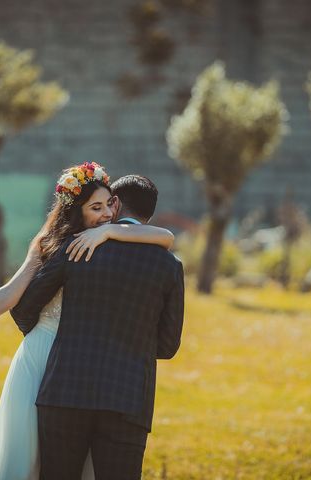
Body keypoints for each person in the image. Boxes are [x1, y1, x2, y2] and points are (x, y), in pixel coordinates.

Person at [0, 163, 177, 479]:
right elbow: (11, 295)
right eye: (96, 208)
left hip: (83, 364)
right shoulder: (54, 243)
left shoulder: (110, 238)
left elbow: (166, 236)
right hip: (46, 355)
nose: (105, 214)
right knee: (32, 458)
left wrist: (108, 230)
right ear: (77, 209)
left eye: (107, 207)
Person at [11, 174, 185, 480]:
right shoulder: (169, 266)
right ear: (150, 214)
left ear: (115, 205)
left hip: (64, 392)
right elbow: (168, 346)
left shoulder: (77, 247)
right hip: (128, 398)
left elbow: (24, 309)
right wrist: (133, 344)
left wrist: (54, 340)